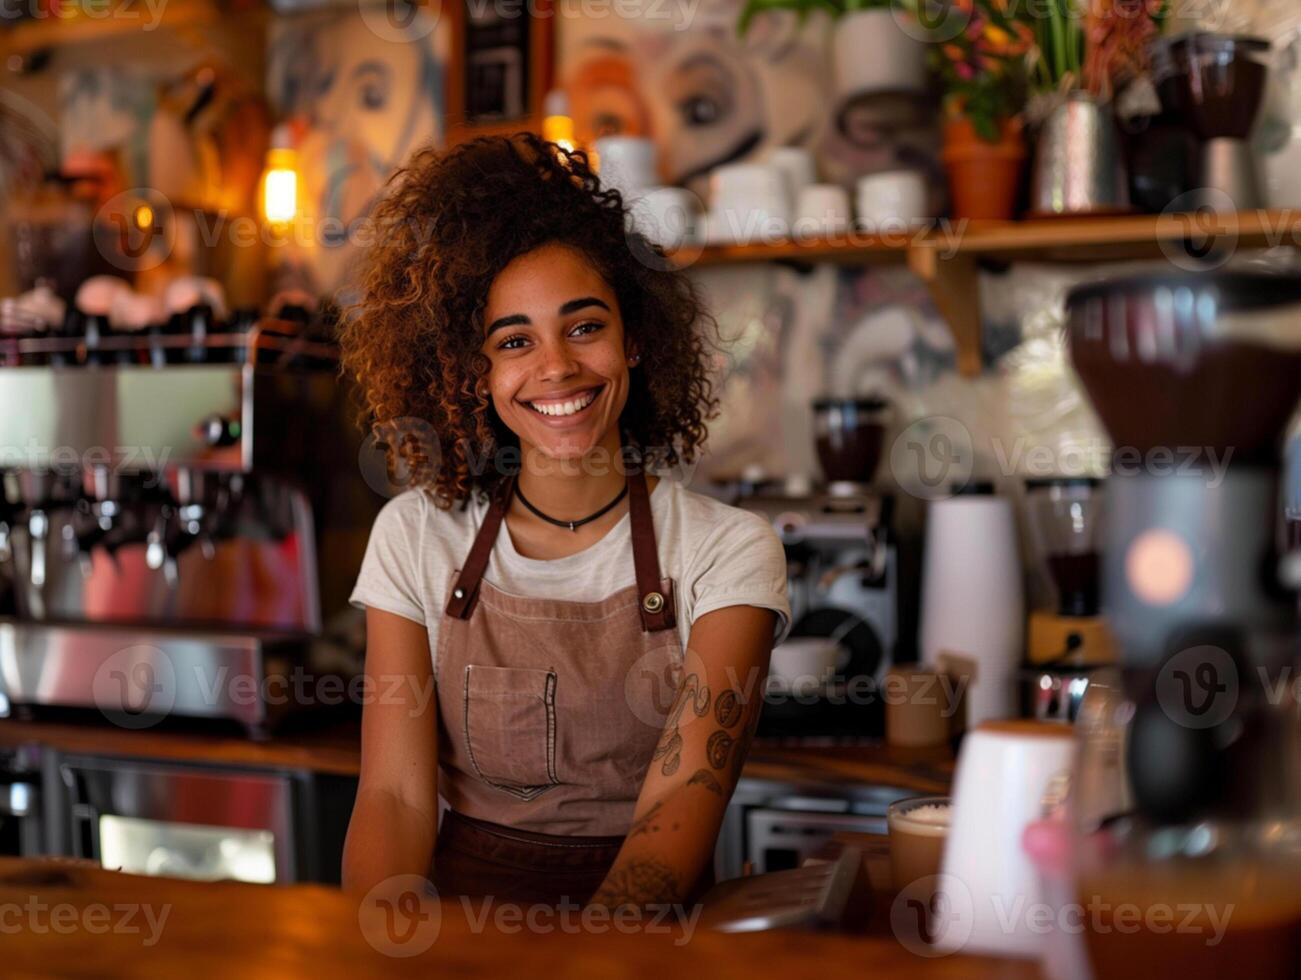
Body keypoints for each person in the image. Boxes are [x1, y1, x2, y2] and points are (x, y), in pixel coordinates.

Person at [339, 132, 790, 910]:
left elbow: (679, 802)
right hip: (461, 945)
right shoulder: (416, 537)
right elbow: (395, 800)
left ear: (635, 338)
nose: (555, 367)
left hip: (644, 947)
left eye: (584, 326)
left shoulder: (726, 551)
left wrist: (592, 961)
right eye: (514, 341)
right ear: (467, 372)